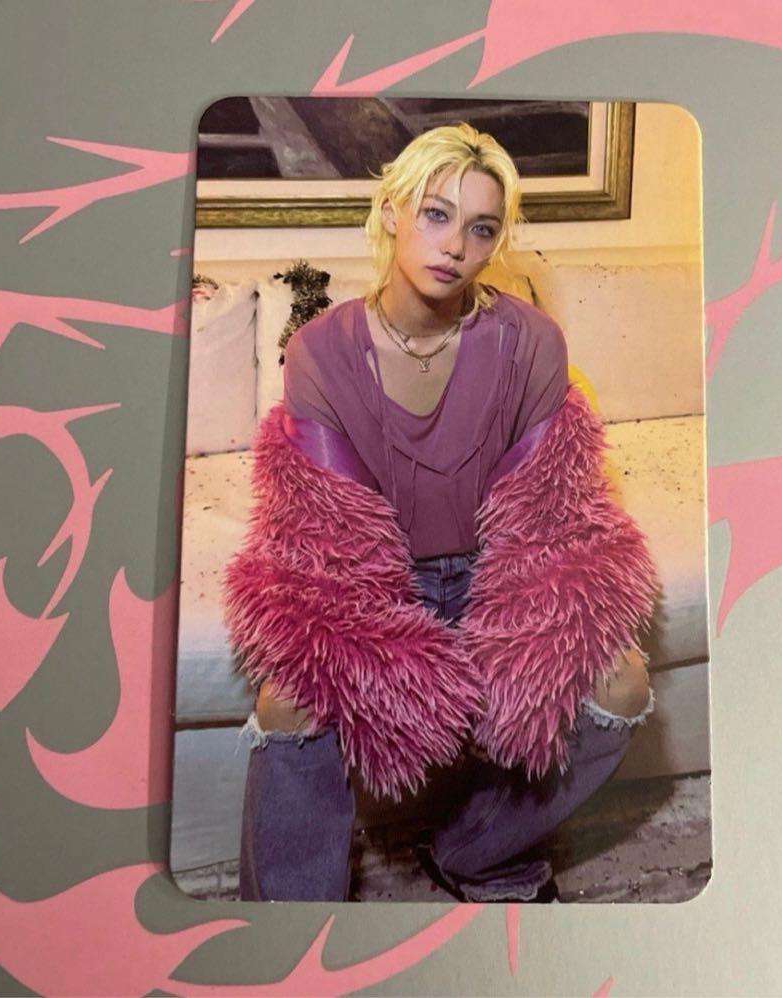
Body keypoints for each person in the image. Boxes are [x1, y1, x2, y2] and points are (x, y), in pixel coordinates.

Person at [223, 122, 661, 903]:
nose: (456, 244)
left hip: (496, 578)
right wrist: (398, 660)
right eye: (436, 214)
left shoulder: (531, 342)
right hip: (383, 586)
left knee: (622, 684)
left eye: (482, 228)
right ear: (392, 211)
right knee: (286, 701)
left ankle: (476, 851)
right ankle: (288, 926)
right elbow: (329, 537)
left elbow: (549, 517)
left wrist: (519, 645)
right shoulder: (320, 351)